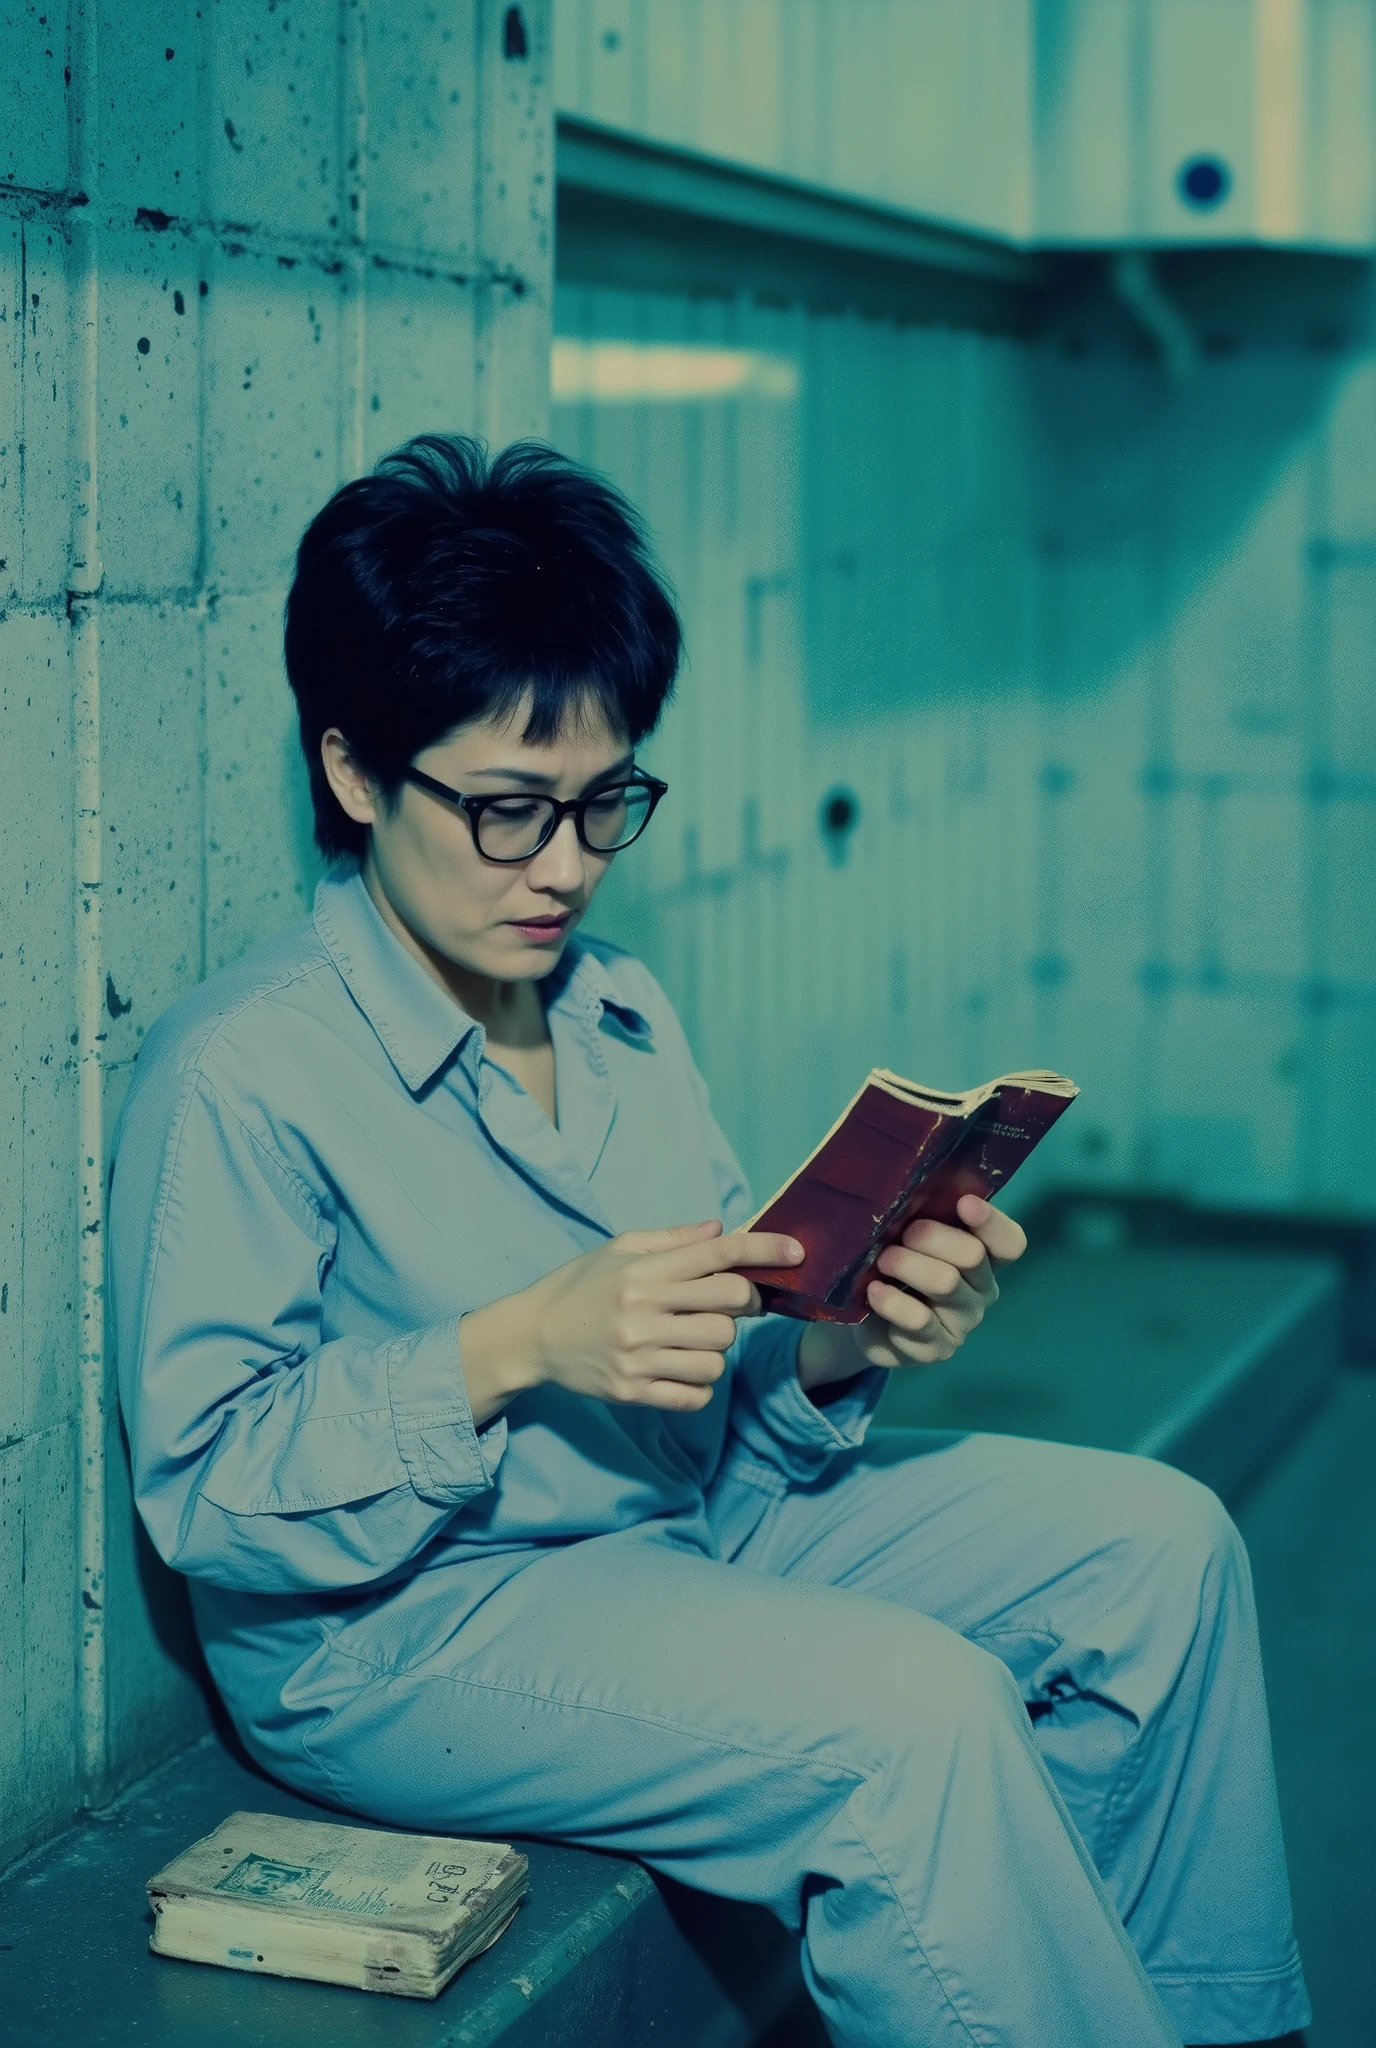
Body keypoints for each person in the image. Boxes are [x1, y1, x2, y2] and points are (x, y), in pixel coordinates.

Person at [109, 434, 1309, 2048]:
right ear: (353, 774)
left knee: (1162, 1549)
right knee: (918, 1718)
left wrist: (839, 1335)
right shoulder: (242, 1070)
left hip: (688, 1515)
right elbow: (208, 1495)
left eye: (609, 802)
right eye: (508, 810)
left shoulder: (620, 1007)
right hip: (413, 1629)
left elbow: (728, 1384)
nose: (568, 865)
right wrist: (515, 1344)